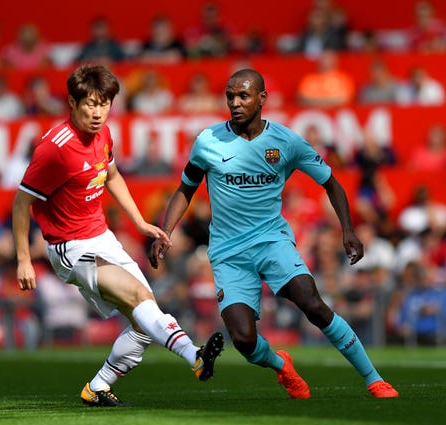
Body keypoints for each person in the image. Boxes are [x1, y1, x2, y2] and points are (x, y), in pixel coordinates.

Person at [149, 68, 398, 399]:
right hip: (228, 254)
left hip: (272, 242)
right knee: (244, 340)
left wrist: (347, 229)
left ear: (262, 98)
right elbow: (185, 188)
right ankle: (283, 367)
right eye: (230, 96)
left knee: (314, 305)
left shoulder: (285, 141)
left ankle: (374, 379)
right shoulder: (208, 141)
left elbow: (330, 182)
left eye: (243, 96)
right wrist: (164, 232)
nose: (235, 103)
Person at [11, 65, 223, 407]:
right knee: (140, 297)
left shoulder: (104, 135)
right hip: (69, 247)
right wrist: (24, 259)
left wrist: (139, 222)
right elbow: (22, 204)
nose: (97, 113)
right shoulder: (55, 149)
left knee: (144, 319)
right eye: (90, 104)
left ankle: (98, 387)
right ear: (72, 102)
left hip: (102, 236)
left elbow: (111, 176)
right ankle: (194, 354)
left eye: (104, 104)